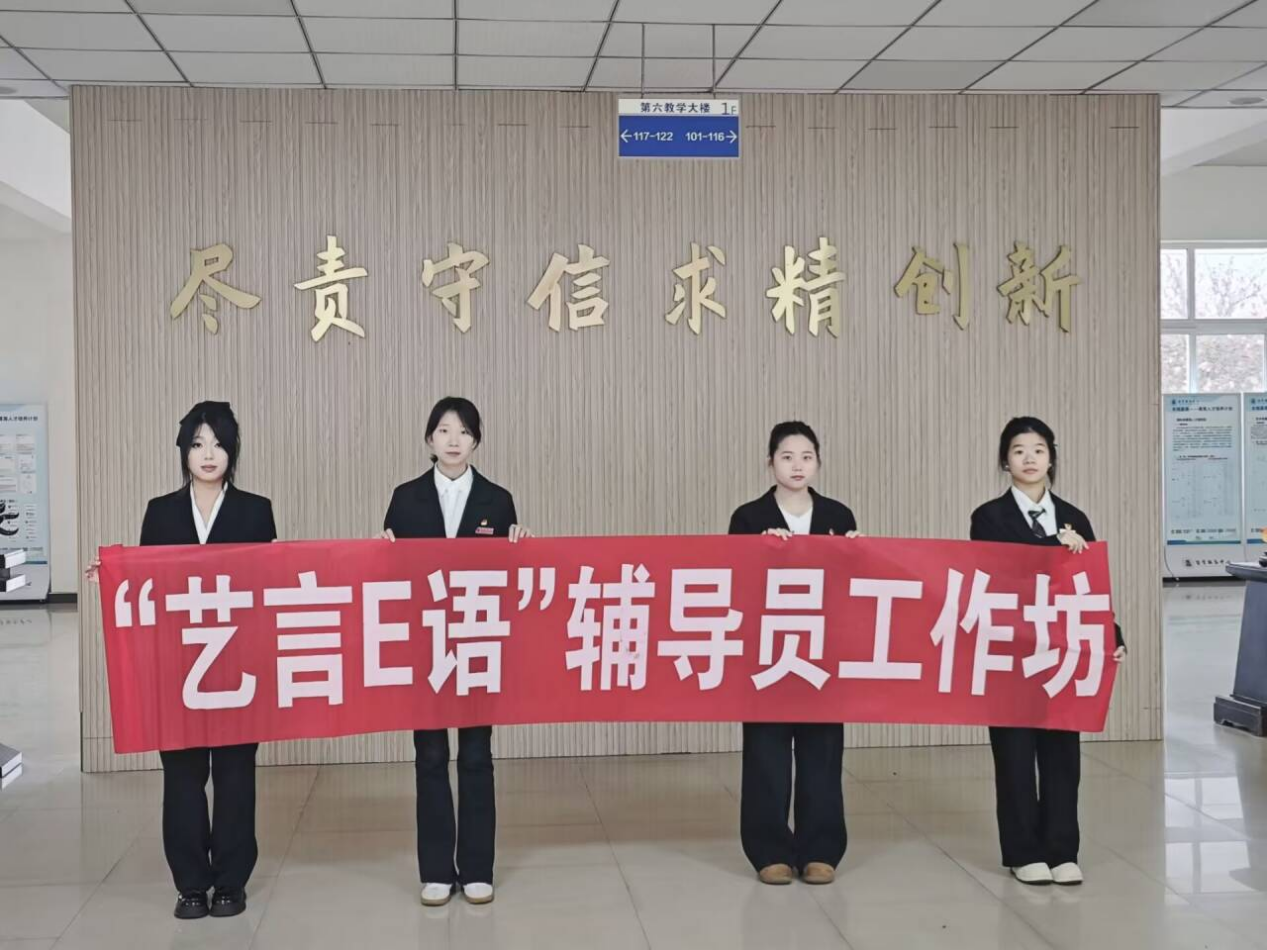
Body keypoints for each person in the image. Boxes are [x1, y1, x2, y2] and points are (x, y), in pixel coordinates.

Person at [86, 401, 276, 920]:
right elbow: (145, 583)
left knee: (235, 774)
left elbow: (272, 584)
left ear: (232, 451)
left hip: (237, 665)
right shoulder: (161, 512)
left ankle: (231, 881)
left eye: (218, 444)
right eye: (197, 444)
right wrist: (112, 575)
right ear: (184, 452)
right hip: (177, 666)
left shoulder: (255, 510)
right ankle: (191, 884)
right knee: (182, 775)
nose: (208, 454)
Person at [379, 396, 531, 907]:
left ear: (476, 441)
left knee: (476, 754)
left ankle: (478, 868)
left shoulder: (498, 500)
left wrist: (521, 546)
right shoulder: (405, 499)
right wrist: (379, 551)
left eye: (464, 431)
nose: (453, 440)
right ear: (429, 439)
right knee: (429, 755)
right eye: (444, 430)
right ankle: (437, 871)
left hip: (476, 642)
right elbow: (390, 576)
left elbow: (510, 580)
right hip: (424, 644)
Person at [970, 415, 1126, 887]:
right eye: (1019, 451)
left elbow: (1090, 587)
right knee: (1015, 756)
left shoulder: (1075, 517)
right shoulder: (988, 517)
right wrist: (1052, 547)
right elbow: (1001, 573)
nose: (1030, 459)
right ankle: (1023, 852)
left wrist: (1110, 635)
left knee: (1062, 755)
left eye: (1038, 450)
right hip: (1011, 652)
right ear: (1005, 461)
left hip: (1062, 652)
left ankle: (1062, 850)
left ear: (1052, 458)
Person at [727, 420, 858, 887]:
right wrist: (762, 554)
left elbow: (852, 587)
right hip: (768, 653)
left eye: (806, 457)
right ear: (770, 463)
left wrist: (858, 554)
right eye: (787, 457)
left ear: (818, 462)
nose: (797, 465)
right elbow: (733, 582)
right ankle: (770, 852)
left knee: (823, 751)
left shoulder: (839, 515)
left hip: (822, 651)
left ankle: (821, 850)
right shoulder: (748, 518)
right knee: (767, 753)